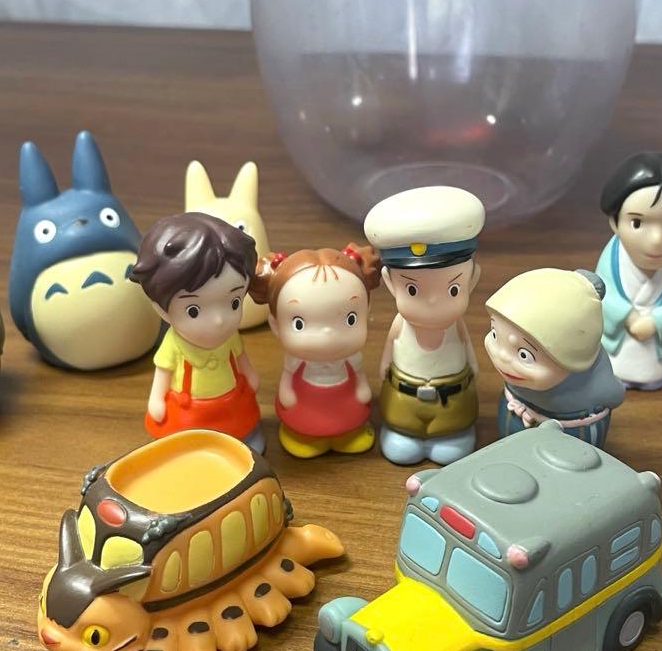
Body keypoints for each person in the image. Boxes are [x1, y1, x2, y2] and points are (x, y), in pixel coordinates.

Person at [364, 185, 485, 466]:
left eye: (453, 290)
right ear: (391, 284)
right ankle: (402, 433)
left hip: (452, 399)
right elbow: (390, 348)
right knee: (401, 447)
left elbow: (468, 349)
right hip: (404, 398)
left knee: (452, 449)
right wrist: (384, 366)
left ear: (472, 280)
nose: (433, 304)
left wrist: (473, 366)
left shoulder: (457, 325)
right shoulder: (400, 324)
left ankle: (453, 435)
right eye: (413, 290)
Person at [128, 212, 263, 451]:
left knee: (239, 425)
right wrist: (156, 400)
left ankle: (241, 442)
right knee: (186, 438)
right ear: (161, 308)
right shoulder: (174, 344)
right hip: (188, 407)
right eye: (193, 310)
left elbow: (241, 358)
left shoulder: (230, 337)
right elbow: (163, 374)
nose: (219, 321)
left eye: (234, 303)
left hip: (230, 400)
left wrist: (250, 375)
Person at [250, 244, 381, 458]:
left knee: (350, 416)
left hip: (344, 398)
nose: (328, 336)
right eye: (299, 324)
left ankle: (347, 433)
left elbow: (358, 375)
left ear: (366, 313)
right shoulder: (295, 360)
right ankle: (303, 435)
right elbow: (288, 376)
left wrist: (362, 390)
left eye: (350, 319)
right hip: (306, 399)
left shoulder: (352, 357)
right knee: (303, 420)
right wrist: (287, 393)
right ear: (276, 325)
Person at [485, 268, 625, 448]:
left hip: (570, 436)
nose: (503, 357)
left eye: (524, 355)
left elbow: (614, 394)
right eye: (494, 334)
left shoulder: (593, 373)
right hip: (514, 414)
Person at [596, 151, 662, 389]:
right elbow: (602, 295)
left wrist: (656, 322)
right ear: (615, 222)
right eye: (637, 223)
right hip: (619, 344)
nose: (657, 240)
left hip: (654, 347)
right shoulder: (610, 260)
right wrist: (628, 316)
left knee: (653, 371)